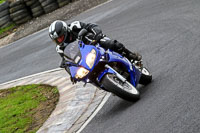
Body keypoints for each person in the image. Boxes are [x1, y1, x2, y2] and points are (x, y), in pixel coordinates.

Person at [48, 20, 142, 67]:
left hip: (94, 42)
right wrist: (68, 69)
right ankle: (109, 83)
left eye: (60, 37)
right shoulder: (60, 48)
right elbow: (67, 60)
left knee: (112, 44)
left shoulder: (74, 26)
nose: (59, 41)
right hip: (84, 56)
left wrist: (97, 34)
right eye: (56, 40)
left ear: (65, 31)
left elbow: (92, 26)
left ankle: (131, 55)